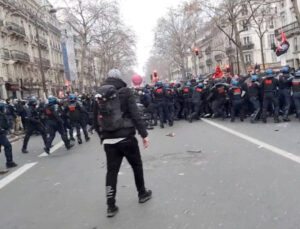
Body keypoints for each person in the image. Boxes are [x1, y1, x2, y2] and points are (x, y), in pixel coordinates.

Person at [94, 69, 152, 218]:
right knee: (136, 166)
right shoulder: (126, 92)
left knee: (111, 172)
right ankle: (142, 193)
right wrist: (144, 134)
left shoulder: (100, 94)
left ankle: (110, 205)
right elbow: (135, 114)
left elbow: (94, 118)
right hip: (126, 137)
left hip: (108, 140)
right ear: (120, 78)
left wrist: (102, 136)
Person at [0, 101, 17, 169]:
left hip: (2, 133)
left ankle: (9, 162)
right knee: (8, 146)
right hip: (1, 133)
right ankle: (9, 162)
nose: (5, 108)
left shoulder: (2, 114)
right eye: (3, 107)